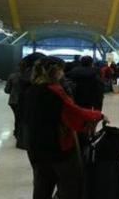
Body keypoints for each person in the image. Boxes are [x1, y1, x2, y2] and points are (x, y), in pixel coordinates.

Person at [24, 56, 106, 199]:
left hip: (36, 146)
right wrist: (98, 115)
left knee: (41, 186)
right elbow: (74, 113)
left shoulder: (31, 91)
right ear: (55, 72)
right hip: (58, 147)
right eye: (61, 70)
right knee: (70, 186)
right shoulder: (55, 91)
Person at [5, 53, 46, 149]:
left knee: (19, 119)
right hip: (25, 101)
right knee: (26, 120)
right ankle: (24, 141)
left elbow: (7, 90)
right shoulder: (34, 76)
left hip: (15, 101)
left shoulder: (18, 75)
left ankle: (19, 137)